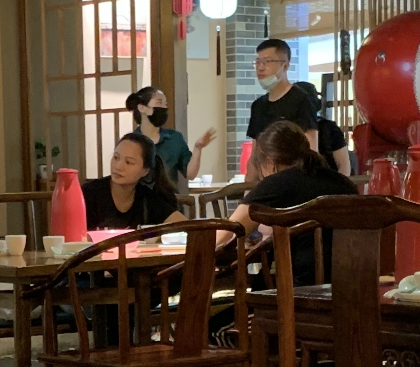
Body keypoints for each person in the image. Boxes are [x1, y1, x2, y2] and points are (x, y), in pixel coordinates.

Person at [234, 120, 358, 286]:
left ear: (270, 163)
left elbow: (228, 233)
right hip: (349, 288)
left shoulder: (276, 183)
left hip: (294, 291)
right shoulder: (344, 183)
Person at [80, 132, 183, 232]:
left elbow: (185, 226)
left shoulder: (147, 198)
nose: (118, 166)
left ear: (145, 171)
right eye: (116, 157)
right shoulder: (88, 193)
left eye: (128, 162)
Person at [245, 39, 320, 157]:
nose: (260, 68)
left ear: (285, 66)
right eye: (258, 62)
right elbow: (255, 153)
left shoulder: (301, 100)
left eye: (267, 62)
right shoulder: (258, 105)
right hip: (265, 168)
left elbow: (311, 150)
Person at [126, 88, 214, 185]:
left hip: (168, 194)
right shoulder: (129, 142)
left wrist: (198, 148)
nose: (164, 107)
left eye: (166, 104)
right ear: (142, 108)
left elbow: (190, 174)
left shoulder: (175, 138)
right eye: (159, 102)